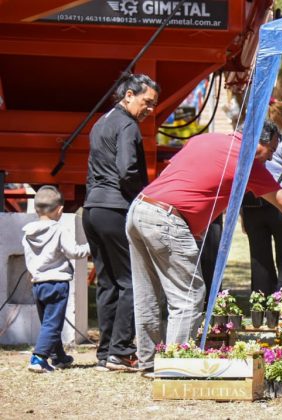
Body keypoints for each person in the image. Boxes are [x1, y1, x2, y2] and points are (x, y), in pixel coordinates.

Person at [126, 121, 282, 371]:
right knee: (189, 296)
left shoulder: (206, 139)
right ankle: (175, 368)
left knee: (147, 294)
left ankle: (147, 362)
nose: (270, 159)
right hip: (166, 218)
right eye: (271, 151)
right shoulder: (247, 161)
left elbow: (191, 180)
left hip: (140, 209)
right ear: (258, 143)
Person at [83, 72, 159, 371]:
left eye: (153, 105)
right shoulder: (128, 125)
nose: (149, 110)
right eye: (147, 102)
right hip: (115, 208)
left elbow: (93, 168)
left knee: (107, 282)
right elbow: (128, 170)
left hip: (92, 209)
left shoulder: (100, 122)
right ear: (129, 95)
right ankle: (121, 350)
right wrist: (141, 199)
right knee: (130, 281)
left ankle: (105, 354)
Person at [21, 186, 90, 373]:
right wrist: (91, 246)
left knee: (49, 322)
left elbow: (29, 259)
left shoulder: (27, 233)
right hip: (57, 283)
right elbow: (74, 252)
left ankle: (58, 357)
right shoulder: (59, 230)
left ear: (36, 209)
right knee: (53, 323)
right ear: (59, 209)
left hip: (37, 284)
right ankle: (39, 358)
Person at [242, 101, 282, 294]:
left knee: (259, 257)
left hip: (252, 204)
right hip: (279, 201)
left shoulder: (251, 141)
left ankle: (263, 304)